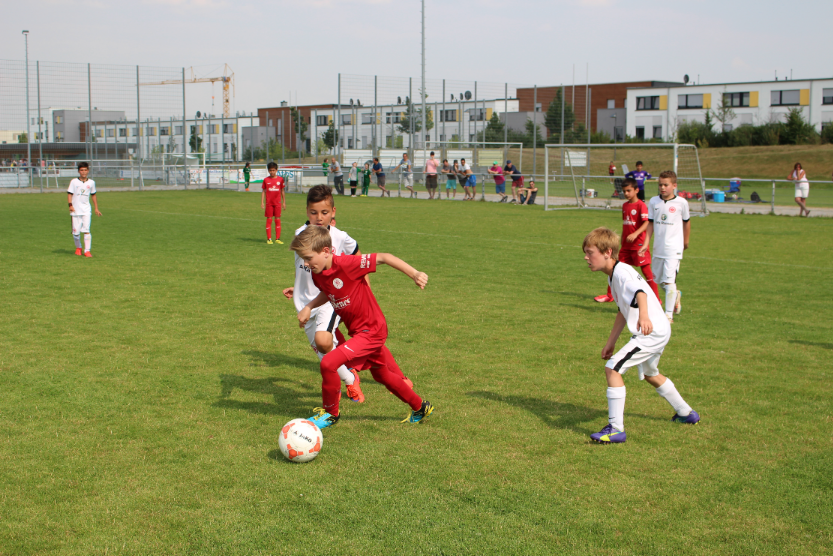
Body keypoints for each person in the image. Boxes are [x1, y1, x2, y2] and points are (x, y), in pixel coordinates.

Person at [292, 225, 434, 428]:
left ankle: (331, 414)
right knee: (381, 374)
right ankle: (420, 407)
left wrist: (415, 273)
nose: (306, 264)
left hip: (372, 330)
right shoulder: (318, 272)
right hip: (359, 332)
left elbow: (384, 257)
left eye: (308, 258)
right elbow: (328, 291)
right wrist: (309, 306)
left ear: (326, 251)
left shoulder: (347, 264)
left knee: (328, 363)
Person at [582, 226, 700, 444]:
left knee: (613, 369)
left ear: (607, 252)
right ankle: (686, 413)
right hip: (658, 330)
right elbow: (623, 310)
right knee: (650, 374)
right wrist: (610, 343)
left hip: (651, 333)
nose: (586, 258)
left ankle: (616, 429)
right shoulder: (614, 276)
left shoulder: (622, 273)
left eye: (590, 253)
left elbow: (640, 292)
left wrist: (644, 316)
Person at [282, 185, 378, 404]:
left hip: (329, 298)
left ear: (333, 212)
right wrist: (296, 287)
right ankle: (350, 378)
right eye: (313, 212)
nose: (319, 217)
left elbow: (358, 262)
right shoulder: (299, 234)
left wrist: (366, 292)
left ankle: (335, 396)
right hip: (304, 301)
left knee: (323, 340)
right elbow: (302, 267)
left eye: (324, 212)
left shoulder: (340, 237)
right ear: (307, 211)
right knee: (321, 348)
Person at [594, 178, 661, 303]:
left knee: (647, 272)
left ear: (636, 190)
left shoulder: (641, 205)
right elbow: (627, 224)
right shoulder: (625, 205)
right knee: (614, 268)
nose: (626, 193)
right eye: (624, 191)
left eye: (629, 191)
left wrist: (635, 234)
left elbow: (646, 223)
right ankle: (610, 295)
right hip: (626, 246)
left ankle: (657, 299)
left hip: (638, 245)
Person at [639, 171, 690, 323]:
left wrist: (685, 241)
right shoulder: (654, 201)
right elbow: (650, 224)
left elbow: (686, 223)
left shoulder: (681, 203)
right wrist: (646, 243)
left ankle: (668, 315)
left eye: (666, 185)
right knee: (658, 280)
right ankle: (675, 294)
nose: (662, 187)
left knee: (668, 281)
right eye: (660, 185)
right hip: (658, 248)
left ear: (674, 186)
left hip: (673, 249)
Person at [67, 161, 102, 257]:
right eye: (82, 170)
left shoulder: (91, 183)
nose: (83, 172)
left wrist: (96, 208)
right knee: (76, 232)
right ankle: (78, 248)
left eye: (85, 170)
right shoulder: (74, 182)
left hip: (86, 210)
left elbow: (93, 195)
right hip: (75, 210)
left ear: (88, 171)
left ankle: (87, 251)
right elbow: (69, 194)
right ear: (79, 171)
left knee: (87, 230)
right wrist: (70, 205)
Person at [261, 162, 286, 244]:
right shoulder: (266, 180)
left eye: (273, 170)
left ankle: (278, 238)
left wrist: (284, 202)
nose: (272, 172)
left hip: (278, 203)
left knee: (277, 220)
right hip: (269, 203)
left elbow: (282, 191)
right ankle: (269, 239)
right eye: (270, 170)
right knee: (269, 220)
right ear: (268, 170)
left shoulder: (280, 179)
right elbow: (263, 191)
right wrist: (262, 202)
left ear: (276, 170)